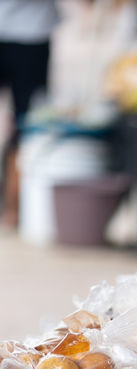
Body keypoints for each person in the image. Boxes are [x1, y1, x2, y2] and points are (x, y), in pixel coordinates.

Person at [0, 0, 61, 226]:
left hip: (32, 29)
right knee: (26, 121)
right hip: (30, 31)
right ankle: (13, 207)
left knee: (26, 122)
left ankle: (15, 205)